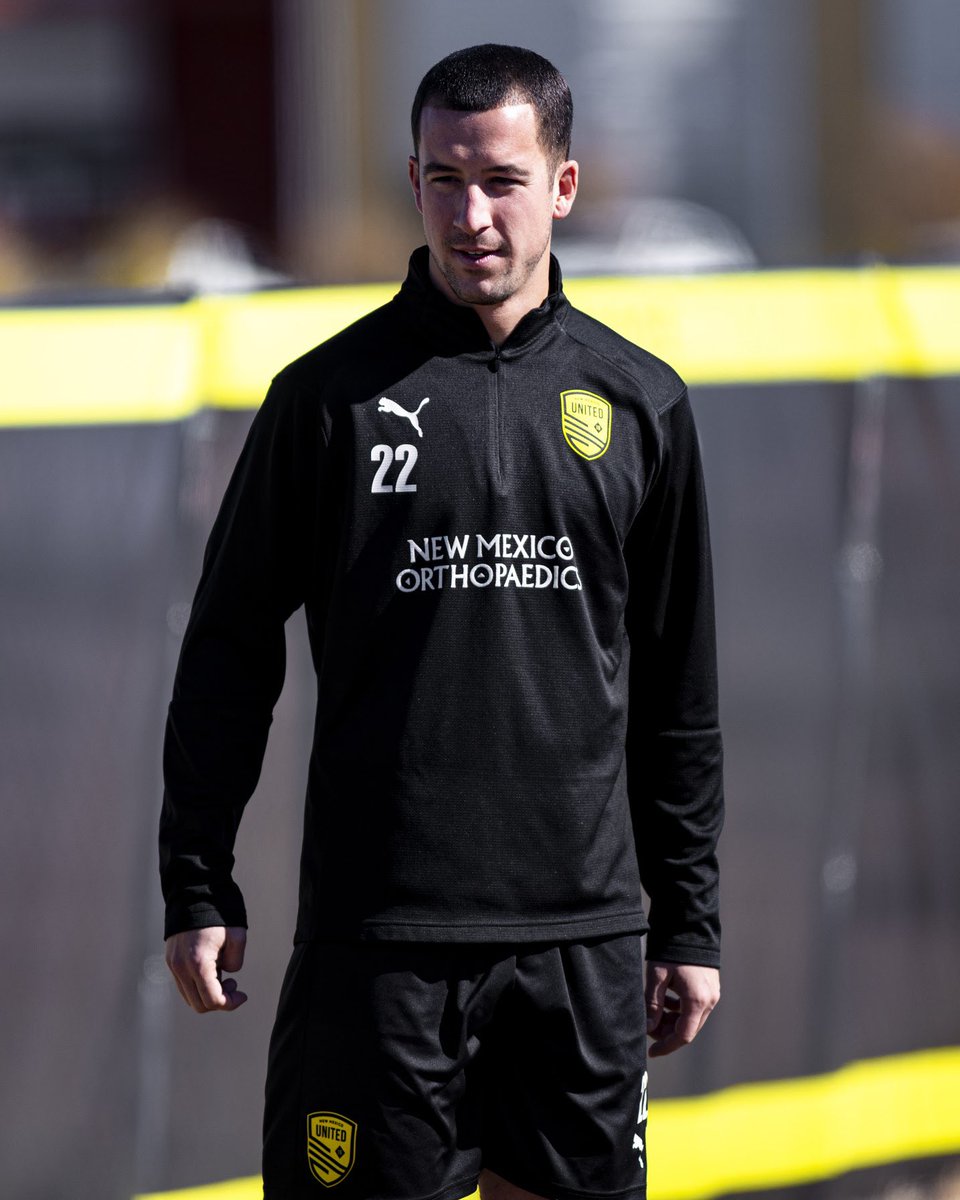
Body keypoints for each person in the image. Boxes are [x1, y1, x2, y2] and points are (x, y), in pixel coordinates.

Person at [161, 43, 723, 1200]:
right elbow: (229, 654)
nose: (472, 215)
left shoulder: (640, 401)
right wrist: (199, 881)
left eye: (502, 181)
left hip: (583, 941)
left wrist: (690, 922)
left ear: (562, 186)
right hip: (381, 947)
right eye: (444, 179)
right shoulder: (326, 401)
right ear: (411, 182)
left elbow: (678, 691)